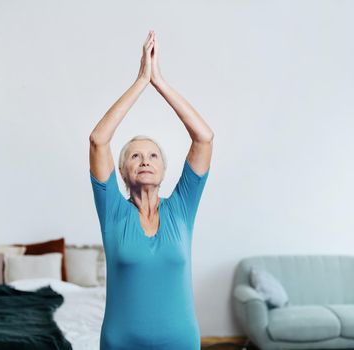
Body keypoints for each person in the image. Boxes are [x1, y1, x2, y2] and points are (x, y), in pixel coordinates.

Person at [89, 30, 214, 350]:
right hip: (120, 344)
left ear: (163, 170)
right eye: (135, 155)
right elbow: (98, 140)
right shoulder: (113, 211)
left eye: (153, 155)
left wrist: (159, 81)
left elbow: (204, 137)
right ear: (122, 171)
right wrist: (141, 80)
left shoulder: (182, 208)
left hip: (181, 344)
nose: (145, 161)